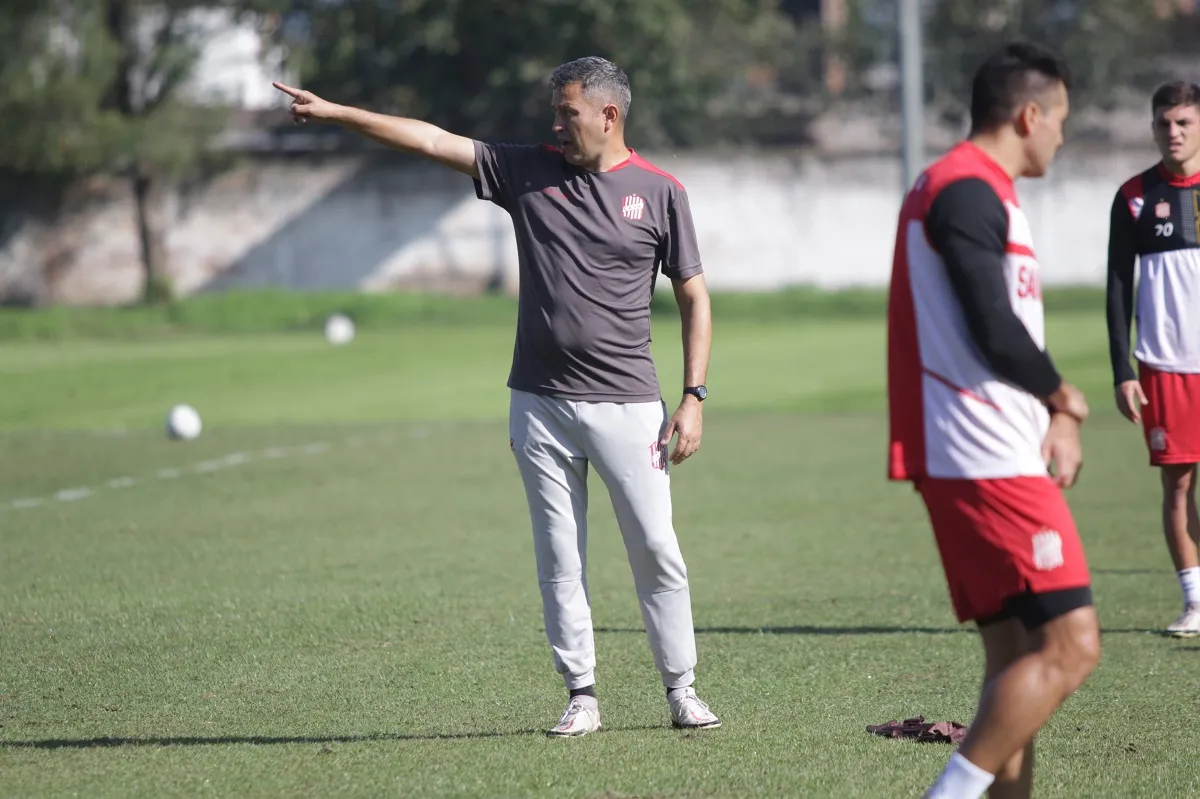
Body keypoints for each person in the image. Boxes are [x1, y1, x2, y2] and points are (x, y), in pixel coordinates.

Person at [273, 56, 721, 736]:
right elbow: (430, 139)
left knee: (657, 549)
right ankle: (582, 695)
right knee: (558, 555)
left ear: (609, 115)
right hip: (538, 404)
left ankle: (681, 690)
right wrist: (337, 112)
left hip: (630, 405)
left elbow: (694, 294)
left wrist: (694, 395)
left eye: (567, 112)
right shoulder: (524, 169)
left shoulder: (660, 192)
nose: (555, 124)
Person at [886, 42, 1101, 799]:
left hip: (979, 452)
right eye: (1062, 120)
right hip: (985, 457)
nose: (1063, 137)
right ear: (1029, 114)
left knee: (1015, 663)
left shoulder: (975, 188)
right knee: (1073, 647)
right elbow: (992, 323)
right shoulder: (965, 187)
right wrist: (1063, 396)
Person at [1106, 81, 1200, 638]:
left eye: (1185, 122)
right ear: (1152, 129)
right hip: (1163, 366)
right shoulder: (1134, 196)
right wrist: (1121, 371)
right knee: (1178, 487)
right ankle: (1195, 600)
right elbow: (1118, 286)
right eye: (1165, 123)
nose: (1175, 132)